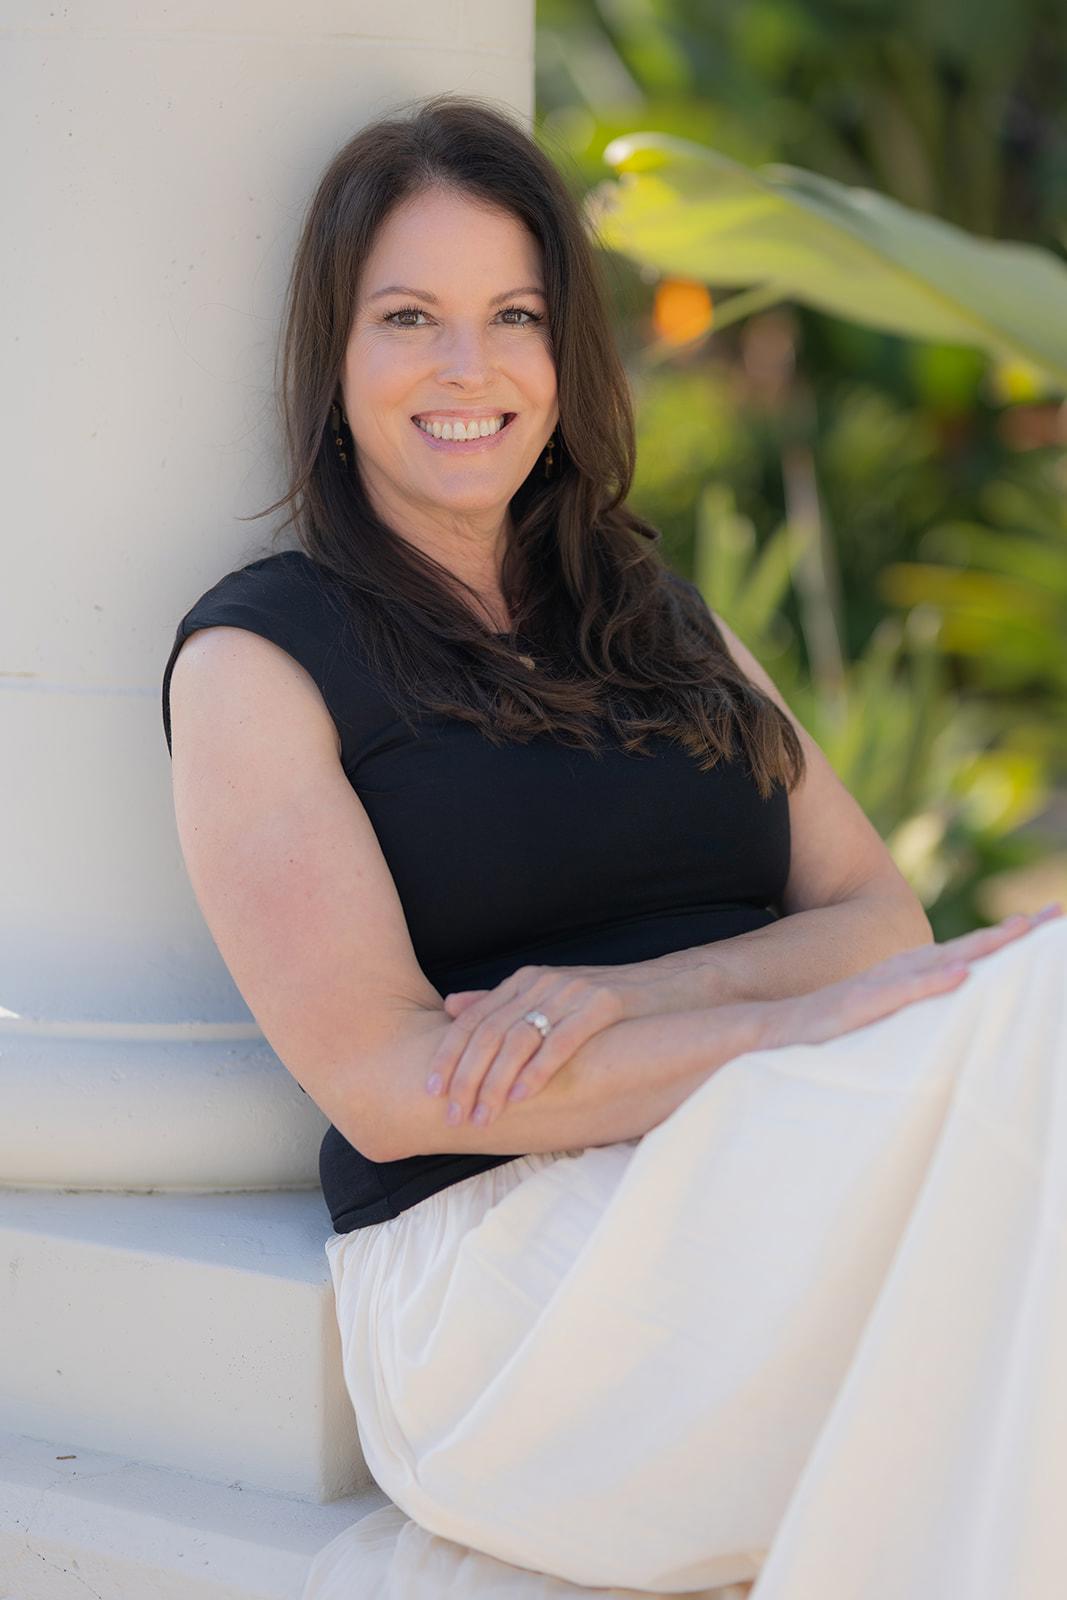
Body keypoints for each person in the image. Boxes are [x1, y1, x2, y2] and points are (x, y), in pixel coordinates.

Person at [161, 93, 1067, 1597]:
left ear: (563, 355)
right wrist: (796, 1027)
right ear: (335, 357)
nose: (471, 368)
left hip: (758, 1165)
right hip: (508, 1289)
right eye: (410, 318)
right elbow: (397, 1087)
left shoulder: (655, 612)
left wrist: (668, 1002)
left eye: (514, 315)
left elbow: (873, 916)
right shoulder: (261, 658)